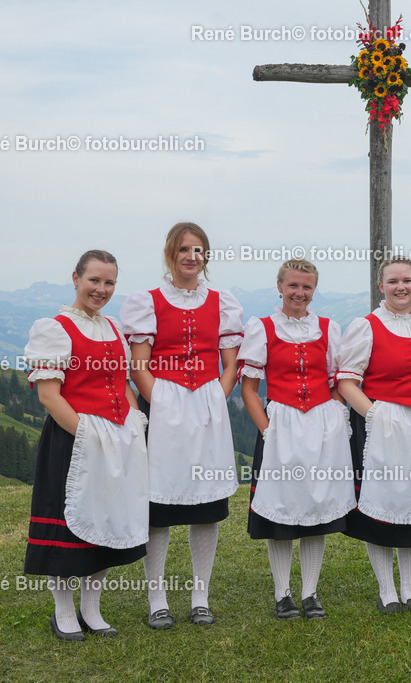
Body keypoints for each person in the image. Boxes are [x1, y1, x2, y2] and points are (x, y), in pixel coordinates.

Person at [121, 222, 244, 628]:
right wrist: (162, 403)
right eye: (184, 250)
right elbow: (139, 365)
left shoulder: (222, 302)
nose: (192, 257)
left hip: (206, 408)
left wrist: (215, 397)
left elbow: (231, 364)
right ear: (170, 254)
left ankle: (200, 597)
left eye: (199, 250)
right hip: (162, 407)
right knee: (158, 508)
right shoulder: (148, 302)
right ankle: (157, 598)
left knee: (205, 509)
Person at [23, 250, 149, 641]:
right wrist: (87, 435)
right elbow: (49, 395)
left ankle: (92, 610)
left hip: (115, 439)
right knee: (67, 526)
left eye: (109, 282)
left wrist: (134, 425)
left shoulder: (113, 328)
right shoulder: (55, 329)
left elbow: (123, 385)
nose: (101, 289)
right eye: (94, 280)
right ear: (76, 278)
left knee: (104, 518)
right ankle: (63, 612)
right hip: (73, 441)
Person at [337, 258, 411, 613]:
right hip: (385, 425)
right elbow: (346, 381)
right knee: (383, 504)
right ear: (381, 286)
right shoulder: (367, 326)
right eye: (393, 281)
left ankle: (409, 588)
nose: (401, 287)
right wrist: (375, 415)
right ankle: (387, 589)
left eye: (407, 280)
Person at [237, 259, 355, 620]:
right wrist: (268, 430)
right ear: (279, 287)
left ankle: (310, 593)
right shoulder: (262, 328)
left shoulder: (328, 328)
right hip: (281, 427)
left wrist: (335, 417)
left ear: (314, 290)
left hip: (321, 427)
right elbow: (249, 389)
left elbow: (337, 380)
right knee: (282, 509)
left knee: (317, 508)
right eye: (293, 286)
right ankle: (282, 593)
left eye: (306, 287)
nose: (299, 293)